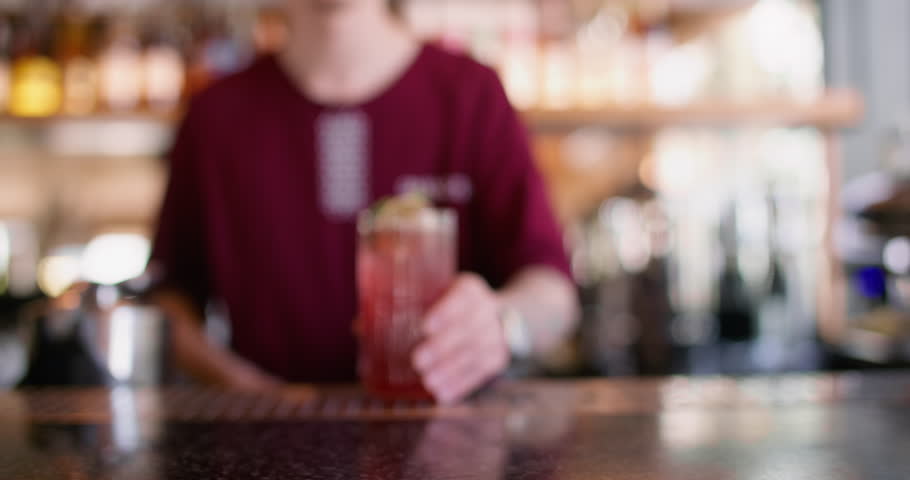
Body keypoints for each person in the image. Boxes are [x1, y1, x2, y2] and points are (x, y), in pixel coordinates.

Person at [151, 0, 578, 404]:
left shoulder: (472, 95)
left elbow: (555, 293)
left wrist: (505, 325)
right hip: (271, 438)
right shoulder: (215, 116)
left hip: (449, 433)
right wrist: (240, 387)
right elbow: (168, 298)